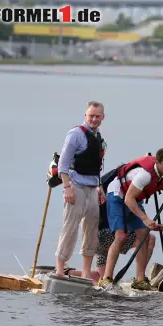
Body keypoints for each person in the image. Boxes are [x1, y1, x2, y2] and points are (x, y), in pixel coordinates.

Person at [98, 148, 163, 290]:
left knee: (144, 236)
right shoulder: (144, 175)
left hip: (133, 198)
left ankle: (140, 279)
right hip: (117, 196)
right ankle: (106, 278)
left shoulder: (162, 173)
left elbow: (154, 186)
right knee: (121, 236)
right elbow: (129, 199)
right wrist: (146, 219)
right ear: (157, 162)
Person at [54, 101, 106, 279]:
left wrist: (99, 187)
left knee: (91, 232)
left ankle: (85, 273)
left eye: (97, 116)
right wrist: (67, 188)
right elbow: (63, 165)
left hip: (92, 188)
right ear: (85, 116)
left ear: (102, 118)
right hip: (76, 187)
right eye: (91, 115)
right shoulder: (75, 134)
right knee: (70, 228)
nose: (94, 119)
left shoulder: (98, 136)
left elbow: (96, 167)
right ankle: (60, 269)